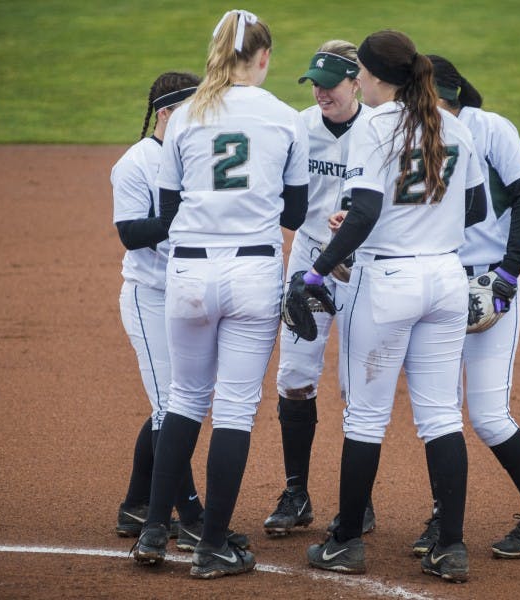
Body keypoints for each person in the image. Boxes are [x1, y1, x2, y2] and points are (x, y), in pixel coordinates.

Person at [130, 9, 309, 580]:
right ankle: (212, 546)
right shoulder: (285, 118)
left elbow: (166, 210)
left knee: (183, 399)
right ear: (262, 58)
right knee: (234, 409)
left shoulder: (182, 117)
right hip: (253, 272)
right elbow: (299, 212)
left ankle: (155, 530)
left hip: (185, 273)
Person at [303, 30, 487, 583]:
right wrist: (425, 218)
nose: (354, 78)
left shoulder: (374, 127)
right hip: (446, 279)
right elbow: (474, 207)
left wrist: (315, 270)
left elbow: (363, 213)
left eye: (358, 70)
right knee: (440, 416)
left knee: (366, 414)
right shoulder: (453, 125)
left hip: (387, 283)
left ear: (379, 78)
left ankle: (345, 542)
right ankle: (451, 547)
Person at [408, 54, 520, 560]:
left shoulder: (492, 129)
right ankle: (443, 520)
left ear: (447, 100)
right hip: (439, 284)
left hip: (490, 284)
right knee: (439, 414)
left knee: (489, 416)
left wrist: (509, 273)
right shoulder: (411, 132)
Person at [263, 39, 375, 538]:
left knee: (359, 384)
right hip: (310, 256)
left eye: (330, 86)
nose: (321, 95)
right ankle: (296, 492)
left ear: (356, 82)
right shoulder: (297, 127)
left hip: (364, 263)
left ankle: (359, 503)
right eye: (314, 85)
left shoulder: (379, 129)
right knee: (294, 375)